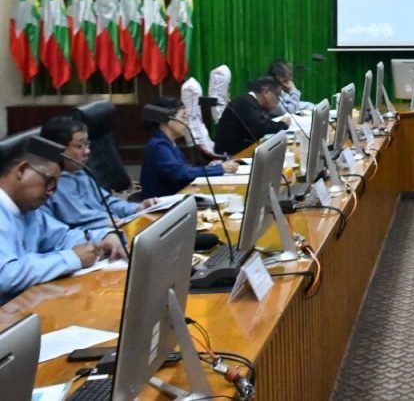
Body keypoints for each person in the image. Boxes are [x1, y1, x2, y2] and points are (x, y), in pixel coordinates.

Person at [0, 143, 123, 303]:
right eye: (49, 182)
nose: (51, 193)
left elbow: (61, 237)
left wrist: (104, 237)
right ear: (22, 170)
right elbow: (6, 274)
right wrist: (72, 258)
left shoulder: (28, 210)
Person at [41, 116, 159, 234]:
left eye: (87, 144)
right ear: (58, 150)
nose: (87, 151)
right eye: (79, 146)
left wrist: (137, 208)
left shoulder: (79, 172)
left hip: (113, 227)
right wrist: (108, 223)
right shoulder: (56, 185)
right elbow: (79, 221)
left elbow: (106, 202)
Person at [141, 98, 240, 198]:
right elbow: (179, 174)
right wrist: (218, 169)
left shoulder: (168, 142)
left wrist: (210, 167)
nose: (187, 122)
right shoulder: (159, 146)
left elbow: (182, 170)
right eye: (183, 117)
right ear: (168, 120)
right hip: (162, 204)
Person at [213, 76, 291, 156]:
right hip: (230, 155)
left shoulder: (251, 101)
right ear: (266, 92)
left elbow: (263, 121)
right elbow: (262, 128)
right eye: (278, 96)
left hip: (242, 149)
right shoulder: (245, 102)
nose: (278, 101)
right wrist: (282, 124)